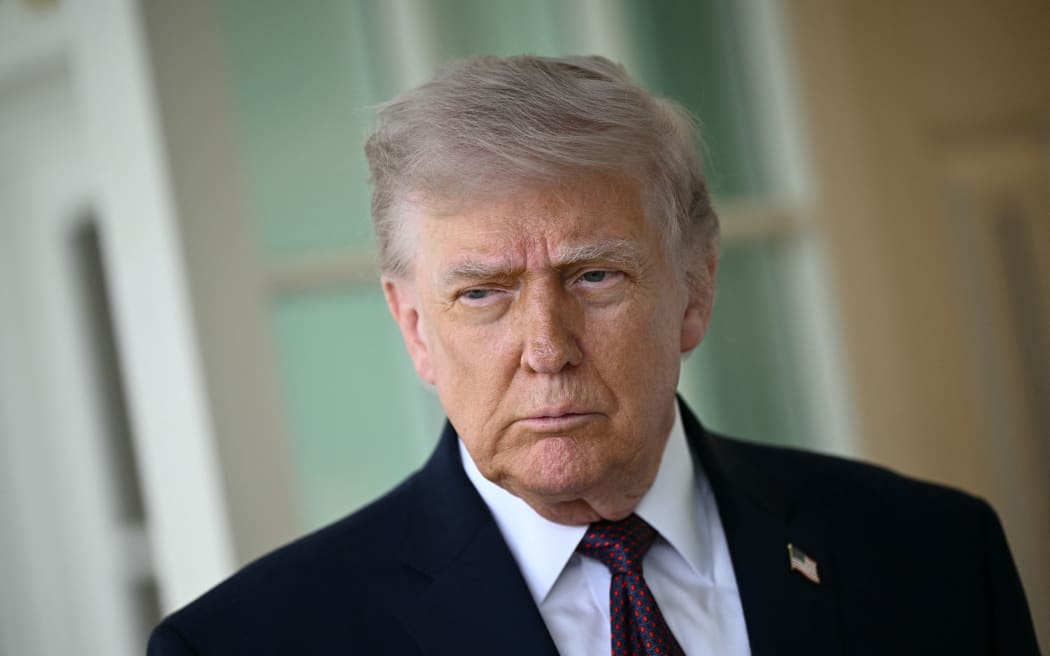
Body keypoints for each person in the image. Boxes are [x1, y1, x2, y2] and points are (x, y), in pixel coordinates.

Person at [147, 55, 1039, 655]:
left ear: (694, 289)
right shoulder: (249, 644)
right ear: (416, 327)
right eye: (482, 293)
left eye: (597, 276)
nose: (547, 349)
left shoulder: (935, 555)